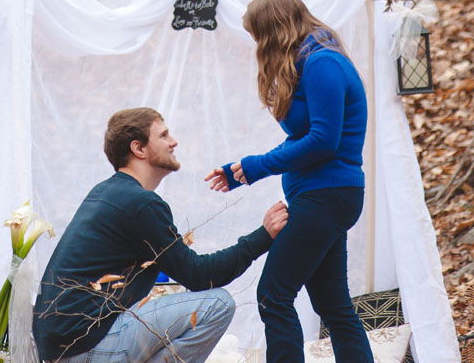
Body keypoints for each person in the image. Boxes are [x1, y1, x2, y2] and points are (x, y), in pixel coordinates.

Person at [33, 107, 288, 363]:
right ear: (139, 149)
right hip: (87, 347)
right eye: (164, 135)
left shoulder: (109, 193)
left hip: (65, 348)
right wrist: (263, 236)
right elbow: (200, 276)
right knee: (218, 304)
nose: (174, 141)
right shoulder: (139, 203)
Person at [206, 0, 374, 363]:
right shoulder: (309, 61)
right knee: (333, 305)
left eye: (257, 37)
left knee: (273, 294)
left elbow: (323, 141)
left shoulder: (323, 63)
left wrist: (257, 167)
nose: (256, 46)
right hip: (320, 196)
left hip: (327, 196)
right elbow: (302, 138)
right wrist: (242, 171)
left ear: (274, 31)